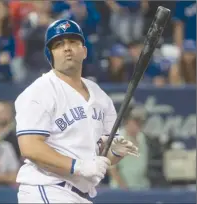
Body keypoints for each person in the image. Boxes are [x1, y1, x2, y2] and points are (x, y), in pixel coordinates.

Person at [14, 19, 139, 203]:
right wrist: (78, 166)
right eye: (59, 44)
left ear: (84, 51)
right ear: (50, 55)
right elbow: (30, 147)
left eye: (73, 42)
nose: (67, 48)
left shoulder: (100, 96)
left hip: (81, 194)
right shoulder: (39, 91)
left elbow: (99, 162)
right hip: (47, 187)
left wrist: (115, 153)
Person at [109, 105, 150, 190]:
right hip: (120, 189)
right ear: (127, 121)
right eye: (136, 121)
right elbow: (111, 167)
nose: (139, 124)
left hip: (141, 186)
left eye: (141, 122)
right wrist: (123, 187)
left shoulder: (142, 137)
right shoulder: (119, 137)